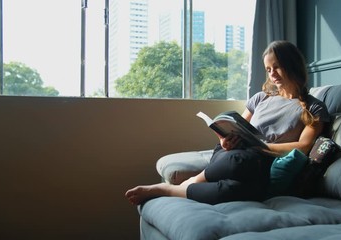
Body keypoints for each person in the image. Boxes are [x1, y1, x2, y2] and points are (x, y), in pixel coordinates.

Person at [125, 40, 330, 205]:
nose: (272, 74)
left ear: (291, 65)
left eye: (277, 67)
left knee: (240, 189)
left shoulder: (314, 107)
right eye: (268, 69)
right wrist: (225, 141)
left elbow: (304, 147)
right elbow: (238, 125)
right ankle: (191, 182)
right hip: (231, 153)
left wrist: (262, 148)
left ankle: (169, 189)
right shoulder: (261, 98)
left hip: (259, 162)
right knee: (235, 157)